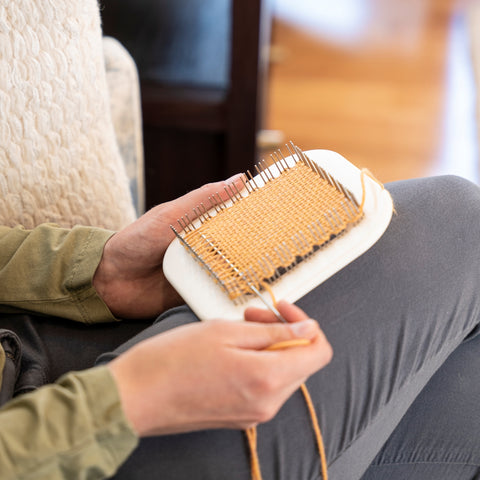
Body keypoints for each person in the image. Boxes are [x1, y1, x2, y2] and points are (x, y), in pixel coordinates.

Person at [1, 173, 480, 480]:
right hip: (52, 449)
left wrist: (94, 272)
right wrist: (124, 400)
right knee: (457, 220)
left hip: (32, 340)